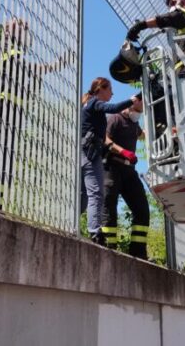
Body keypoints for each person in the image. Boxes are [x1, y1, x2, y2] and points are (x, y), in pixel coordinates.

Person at [0, 18, 73, 209]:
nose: (25, 29)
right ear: (7, 30)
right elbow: (23, 68)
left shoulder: (15, 50)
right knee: (0, 155)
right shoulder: (2, 46)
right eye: (20, 26)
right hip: (0, 108)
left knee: (6, 159)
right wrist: (55, 65)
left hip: (12, 112)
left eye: (26, 28)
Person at [80, 77, 140, 244]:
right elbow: (113, 108)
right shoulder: (94, 102)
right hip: (91, 155)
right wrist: (131, 101)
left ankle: (70, 223)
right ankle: (95, 232)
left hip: (83, 152)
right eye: (110, 89)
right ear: (101, 88)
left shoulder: (87, 104)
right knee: (96, 194)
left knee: (84, 195)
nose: (112, 93)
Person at [101, 100, 150, 259]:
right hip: (112, 167)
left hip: (129, 171)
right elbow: (105, 139)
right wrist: (123, 151)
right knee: (109, 206)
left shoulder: (134, 125)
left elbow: (144, 135)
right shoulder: (115, 119)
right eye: (138, 109)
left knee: (142, 208)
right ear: (130, 106)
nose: (139, 114)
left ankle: (138, 251)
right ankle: (108, 247)